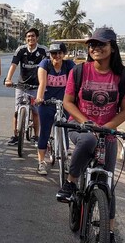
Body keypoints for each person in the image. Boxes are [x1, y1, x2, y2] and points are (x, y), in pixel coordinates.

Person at [56, 28, 125, 242]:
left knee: (108, 184)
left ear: (112, 47)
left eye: (101, 44)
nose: (95, 48)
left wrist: (107, 126)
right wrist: (86, 122)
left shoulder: (124, 76)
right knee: (89, 138)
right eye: (92, 45)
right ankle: (71, 182)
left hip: (107, 134)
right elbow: (68, 102)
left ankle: (109, 230)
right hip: (80, 127)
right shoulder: (79, 71)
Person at [34, 42, 75, 175]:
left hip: (65, 103)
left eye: (59, 53)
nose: (57, 56)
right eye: (53, 53)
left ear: (64, 54)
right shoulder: (45, 64)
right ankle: (41, 162)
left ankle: (66, 158)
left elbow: (75, 84)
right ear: (49, 55)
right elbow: (42, 83)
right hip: (47, 102)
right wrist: (40, 98)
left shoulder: (69, 65)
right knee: (45, 131)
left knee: (65, 130)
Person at [4, 28, 49, 146]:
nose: (30, 38)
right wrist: (8, 79)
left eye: (33, 36)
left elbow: (49, 67)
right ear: (25, 38)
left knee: (35, 111)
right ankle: (15, 135)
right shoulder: (21, 50)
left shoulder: (43, 50)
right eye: (28, 36)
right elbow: (14, 65)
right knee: (16, 111)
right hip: (21, 85)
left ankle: (36, 135)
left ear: (37, 38)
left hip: (36, 86)